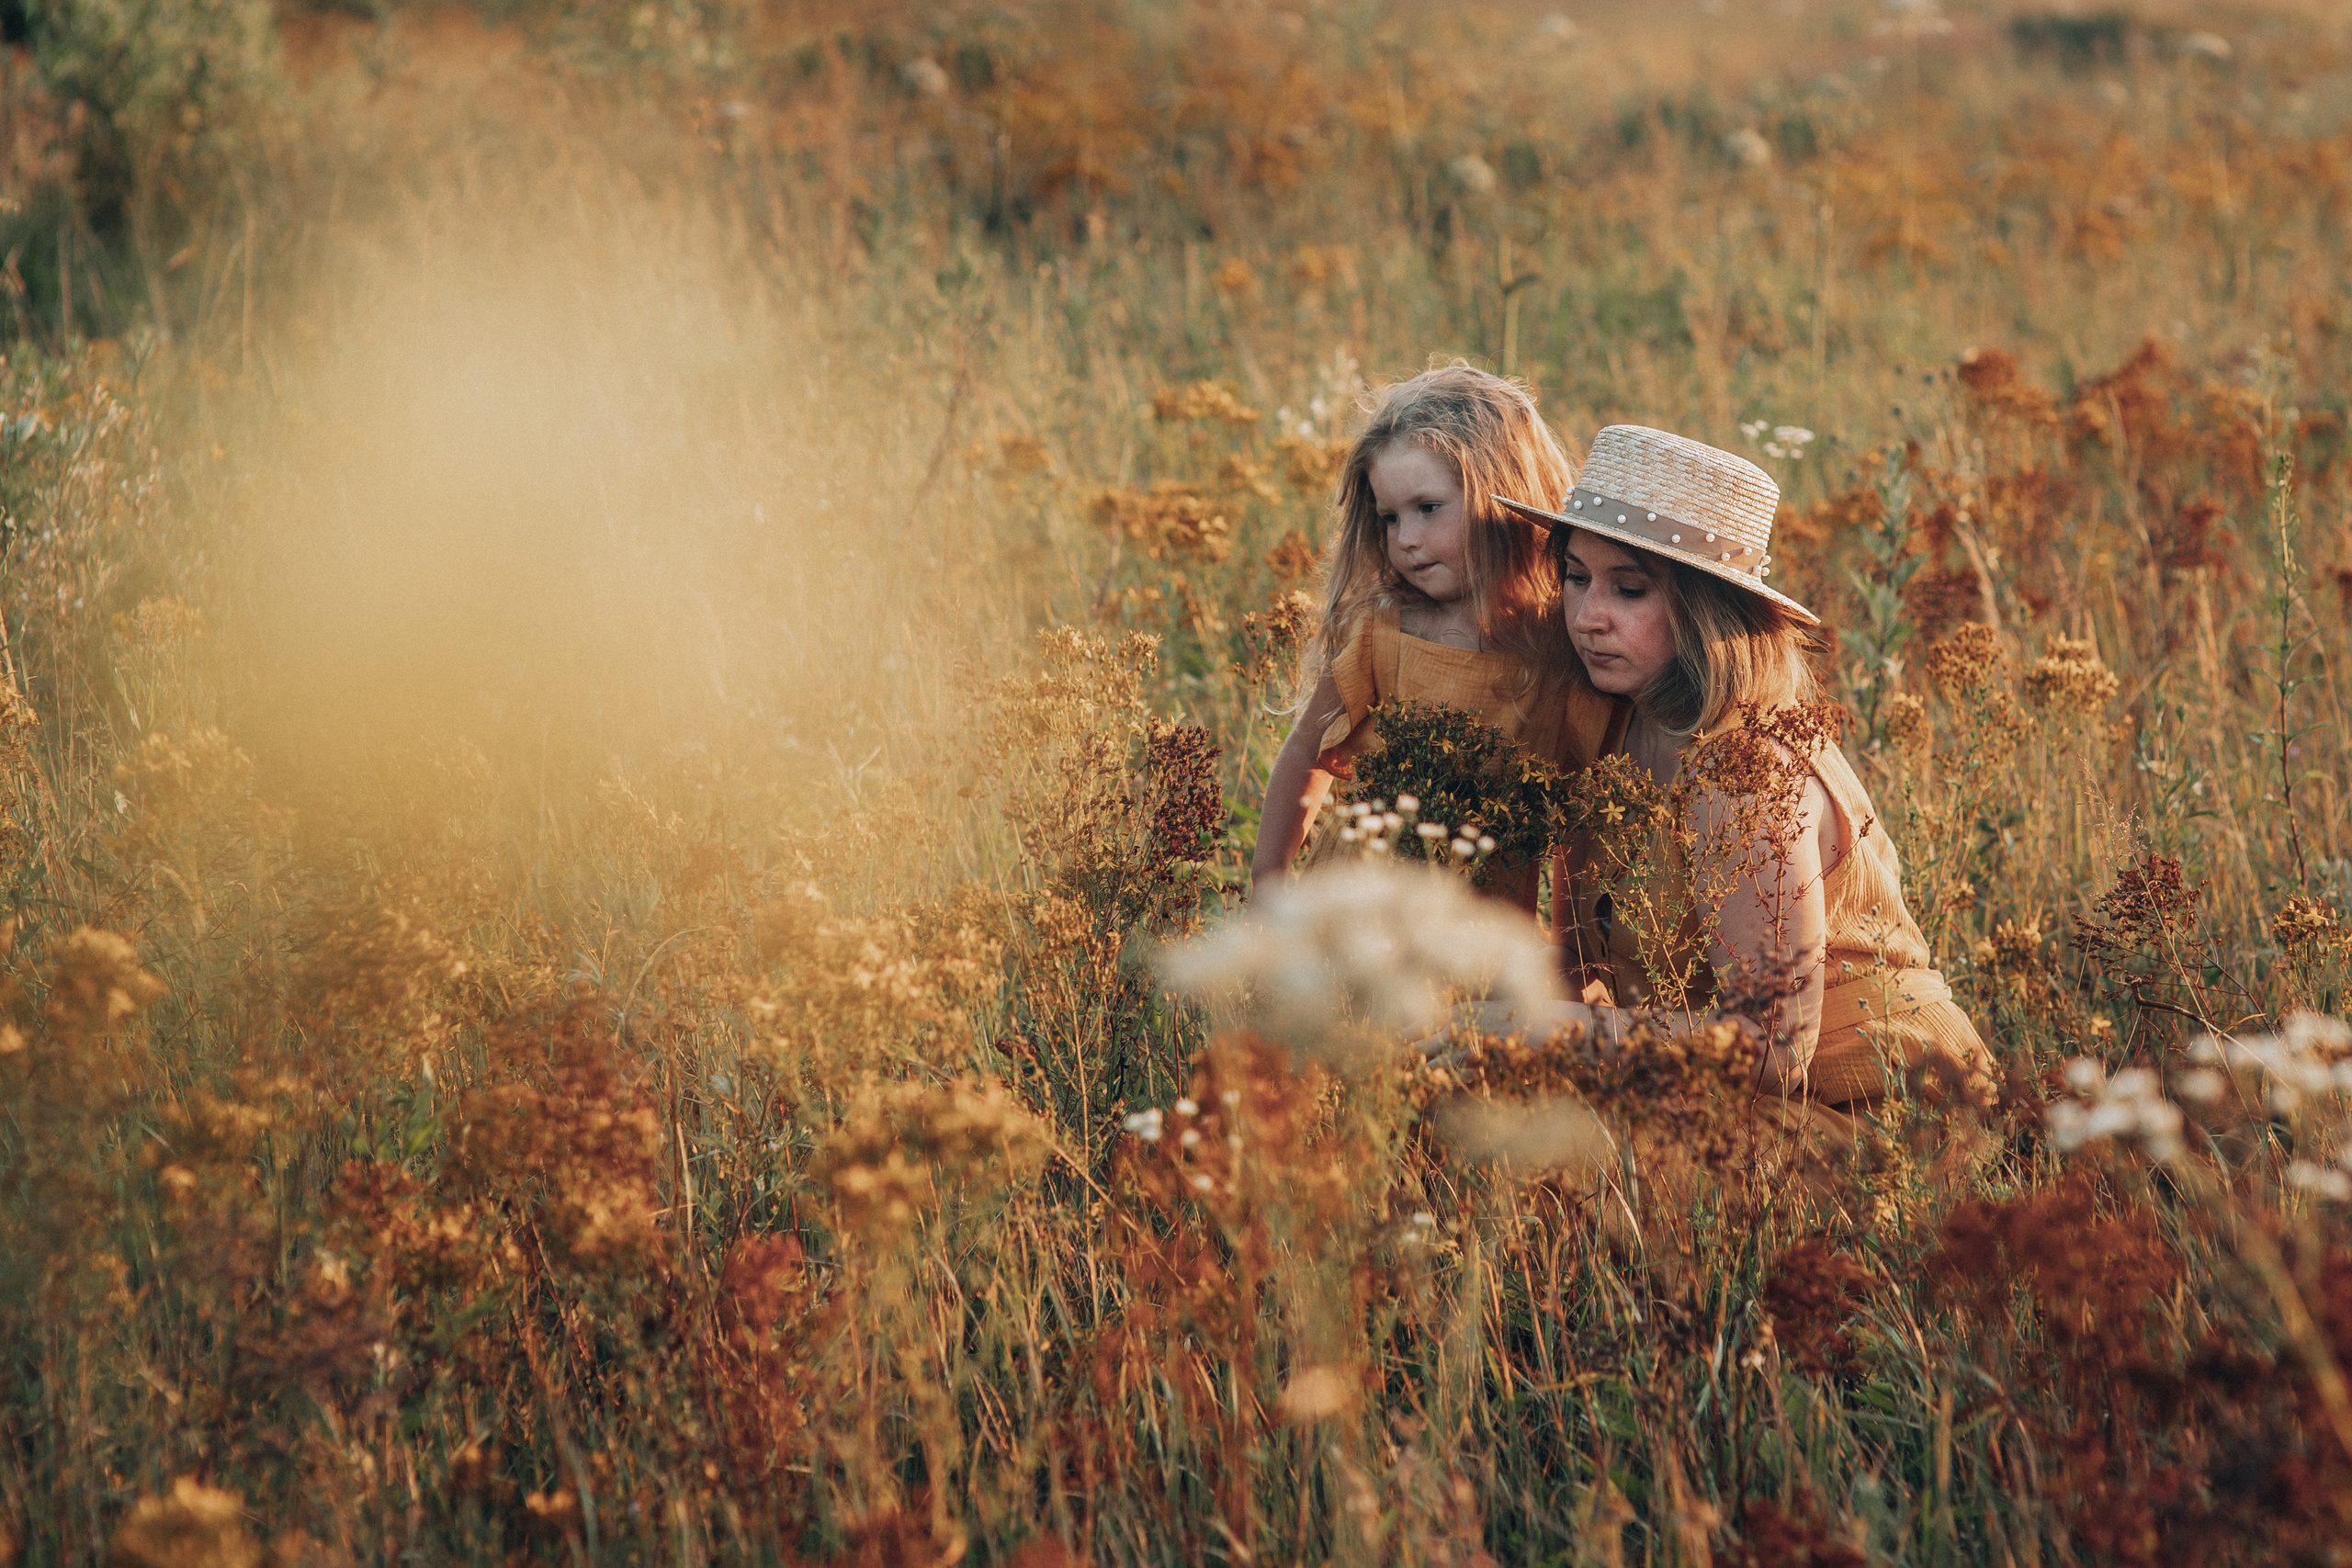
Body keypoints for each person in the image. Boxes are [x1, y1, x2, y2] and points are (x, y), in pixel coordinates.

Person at [1487, 423, 1994, 1120]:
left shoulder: (1744, 771)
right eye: (1576, 578)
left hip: (1872, 1107)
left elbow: (1775, 1051)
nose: (1588, 615)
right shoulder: (1609, 728)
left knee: (1561, 1176)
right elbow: (1575, 975)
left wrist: (1561, 1038)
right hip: (1707, 1091)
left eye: (1629, 590)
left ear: (1706, 612)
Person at [1250, 366, 1616, 919]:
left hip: (1478, 929)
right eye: (1390, 518)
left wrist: (1570, 951)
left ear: (1503, 495)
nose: (1407, 540)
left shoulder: (1558, 651)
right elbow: (1308, 753)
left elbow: (1575, 818)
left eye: (1428, 508)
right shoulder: (1383, 628)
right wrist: (1267, 887)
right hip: (1349, 909)